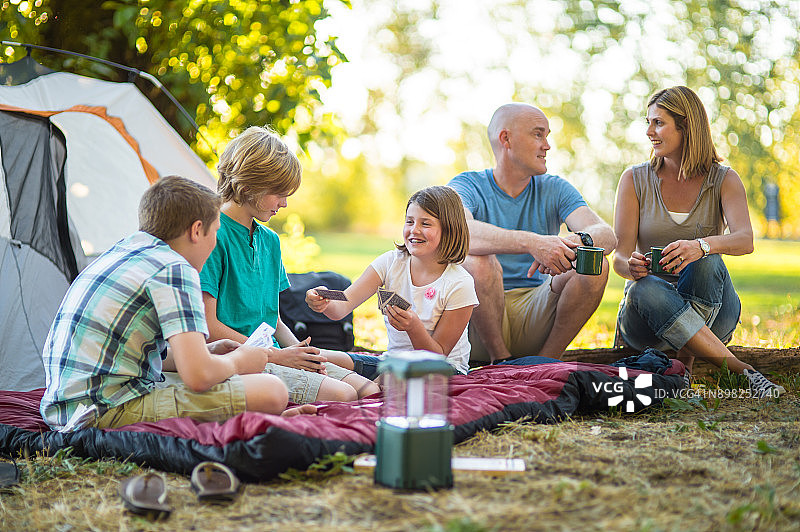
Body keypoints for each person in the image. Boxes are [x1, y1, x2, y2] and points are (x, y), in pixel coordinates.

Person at [41, 176, 301, 432]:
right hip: (102, 410)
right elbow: (198, 376)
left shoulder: (126, 251)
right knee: (271, 389)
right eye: (215, 233)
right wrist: (239, 360)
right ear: (197, 230)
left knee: (231, 382)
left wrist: (209, 352)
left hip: (67, 405)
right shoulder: (175, 268)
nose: (214, 244)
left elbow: (134, 357)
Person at [613, 85, 784, 398]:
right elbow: (620, 257)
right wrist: (630, 266)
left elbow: (745, 240)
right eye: (648, 122)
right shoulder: (634, 179)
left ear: (686, 126)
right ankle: (745, 372)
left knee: (707, 260)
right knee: (643, 287)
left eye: (658, 123)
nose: (648, 131)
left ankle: (685, 363)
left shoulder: (724, 179)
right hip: (648, 319)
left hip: (714, 313)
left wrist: (701, 246)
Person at [200, 126, 379, 403]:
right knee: (343, 395)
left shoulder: (269, 241)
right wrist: (280, 357)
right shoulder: (213, 234)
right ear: (248, 186)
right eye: (278, 193)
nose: (284, 204)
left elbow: (274, 320)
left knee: (369, 389)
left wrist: (300, 352)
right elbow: (209, 327)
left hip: (276, 354)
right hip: (238, 359)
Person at [447, 103, 616, 364]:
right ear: (507, 139)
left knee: (595, 263)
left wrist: (569, 242)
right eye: (538, 134)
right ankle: (500, 361)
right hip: (477, 322)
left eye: (547, 136)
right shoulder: (466, 184)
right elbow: (460, 232)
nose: (547, 145)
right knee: (476, 259)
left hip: (536, 312)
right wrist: (532, 242)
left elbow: (606, 235)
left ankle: (545, 363)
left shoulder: (555, 188)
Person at [305, 186, 478, 377]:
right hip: (392, 362)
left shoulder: (460, 284)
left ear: (449, 228)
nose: (414, 230)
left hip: (442, 371)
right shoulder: (391, 262)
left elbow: (438, 355)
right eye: (409, 221)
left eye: (426, 224)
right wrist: (324, 299)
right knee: (316, 357)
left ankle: (370, 388)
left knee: (384, 380)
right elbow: (342, 305)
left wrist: (414, 327)